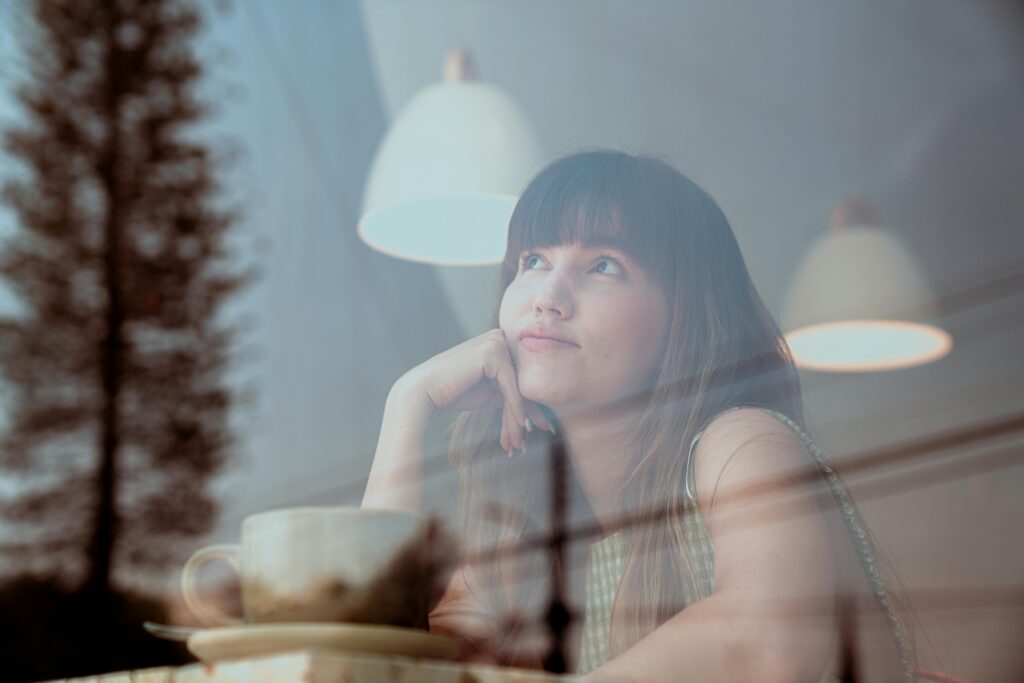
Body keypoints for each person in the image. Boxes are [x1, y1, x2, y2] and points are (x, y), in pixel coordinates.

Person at [363, 150, 914, 682]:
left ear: (684, 313)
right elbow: (371, 664)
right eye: (533, 260)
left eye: (603, 266)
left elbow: (768, 643)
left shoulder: (739, 443)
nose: (548, 297)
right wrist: (407, 406)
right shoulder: (529, 527)